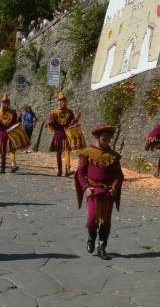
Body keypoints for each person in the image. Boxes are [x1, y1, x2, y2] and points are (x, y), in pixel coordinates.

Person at [74, 124, 124, 260]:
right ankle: (91, 237)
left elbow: (119, 175)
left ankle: (102, 247)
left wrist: (115, 187)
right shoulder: (87, 152)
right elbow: (80, 172)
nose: (106, 138)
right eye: (104, 136)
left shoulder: (113, 156)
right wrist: (85, 188)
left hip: (108, 193)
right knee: (92, 219)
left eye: (108, 136)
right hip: (93, 191)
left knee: (106, 221)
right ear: (98, 136)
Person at [46, 92, 81, 177]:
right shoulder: (54, 112)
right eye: (61, 101)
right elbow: (50, 124)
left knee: (67, 151)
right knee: (58, 153)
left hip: (66, 134)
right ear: (58, 102)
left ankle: (67, 170)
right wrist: (51, 122)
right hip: (58, 134)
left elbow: (72, 123)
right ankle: (59, 171)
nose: (63, 103)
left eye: (64, 101)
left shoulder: (69, 112)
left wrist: (76, 119)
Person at [0, 94, 20, 173]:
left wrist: (19, 117)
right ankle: (3, 167)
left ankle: (13, 165)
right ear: (1, 103)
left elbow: (16, 122)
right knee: (3, 151)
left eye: (7, 102)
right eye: (4, 102)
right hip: (2, 132)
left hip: (11, 132)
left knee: (12, 149)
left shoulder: (13, 112)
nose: (5, 104)